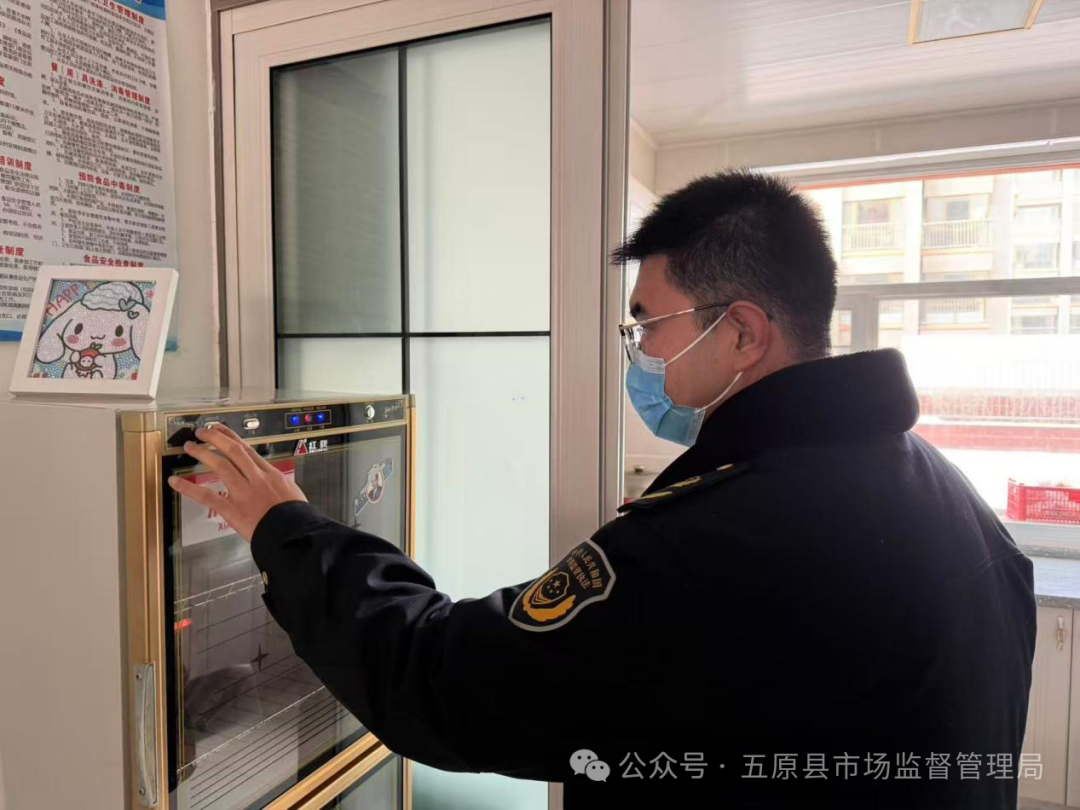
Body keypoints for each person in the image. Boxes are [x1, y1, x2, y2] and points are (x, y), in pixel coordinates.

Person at [170, 171, 1036, 808]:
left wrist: (284, 526)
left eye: (649, 323)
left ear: (742, 333)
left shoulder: (720, 537)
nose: (641, 352)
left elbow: (444, 684)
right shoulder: (942, 491)